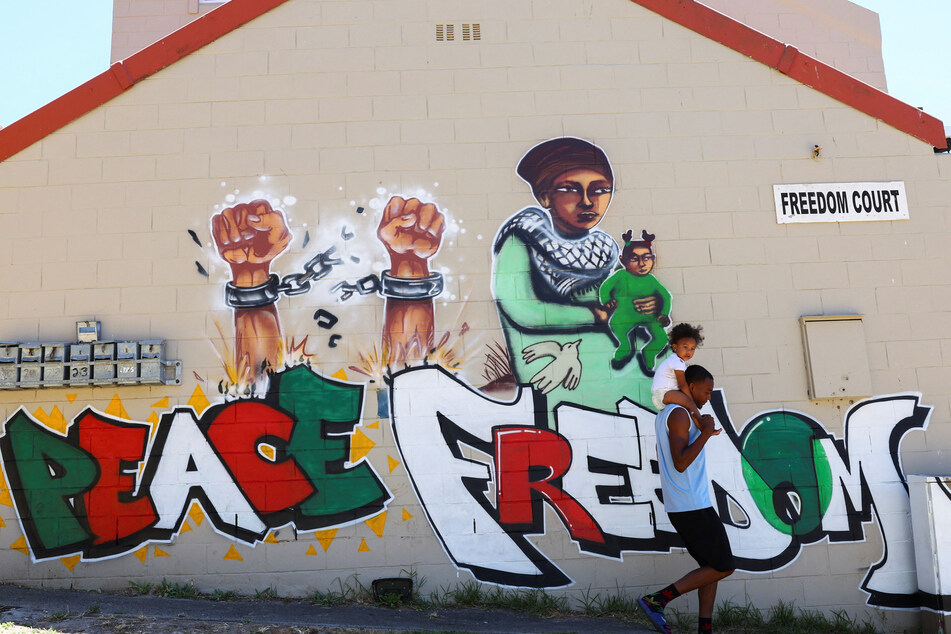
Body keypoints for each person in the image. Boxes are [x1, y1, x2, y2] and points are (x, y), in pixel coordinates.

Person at [492, 137, 663, 410]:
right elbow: (523, 309)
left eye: (600, 190)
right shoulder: (523, 237)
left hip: (614, 364)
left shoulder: (603, 248)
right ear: (545, 195)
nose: (587, 202)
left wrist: (649, 305)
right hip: (557, 364)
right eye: (570, 189)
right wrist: (594, 314)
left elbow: (625, 295)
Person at [638, 365, 734, 634]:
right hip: (691, 504)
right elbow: (680, 462)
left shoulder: (671, 414)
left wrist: (702, 429)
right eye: (706, 391)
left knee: (710, 566)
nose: (708, 397)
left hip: (688, 503)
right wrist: (705, 433)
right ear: (690, 387)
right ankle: (656, 601)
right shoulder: (678, 414)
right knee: (724, 566)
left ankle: (705, 628)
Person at [598, 230, 671, 370]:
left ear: (653, 259)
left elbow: (665, 296)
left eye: (646, 258)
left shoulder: (651, 280)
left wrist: (663, 313)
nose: (642, 263)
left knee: (661, 338)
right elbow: (605, 288)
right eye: (634, 259)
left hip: (650, 317)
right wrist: (607, 302)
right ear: (622, 260)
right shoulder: (621, 276)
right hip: (624, 316)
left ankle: (648, 355)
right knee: (619, 330)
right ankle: (623, 349)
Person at [651, 323, 704, 423]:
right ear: (675, 347)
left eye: (692, 348)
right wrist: (691, 400)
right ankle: (702, 424)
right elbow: (682, 385)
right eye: (685, 347)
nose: (689, 351)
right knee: (690, 404)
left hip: (664, 394)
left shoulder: (676, 361)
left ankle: (697, 423)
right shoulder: (677, 362)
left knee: (688, 407)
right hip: (664, 394)